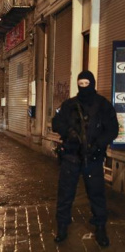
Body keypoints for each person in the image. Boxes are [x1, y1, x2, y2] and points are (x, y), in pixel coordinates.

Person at [52, 70, 118, 247]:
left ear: (92, 84)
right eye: (80, 85)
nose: (83, 88)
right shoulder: (69, 105)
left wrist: (98, 143)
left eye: (86, 84)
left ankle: (100, 228)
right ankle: (63, 227)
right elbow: (56, 122)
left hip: (93, 158)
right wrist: (69, 132)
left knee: (97, 195)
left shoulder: (102, 105)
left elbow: (112, 129)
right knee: (65, 195)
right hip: (71, 157)